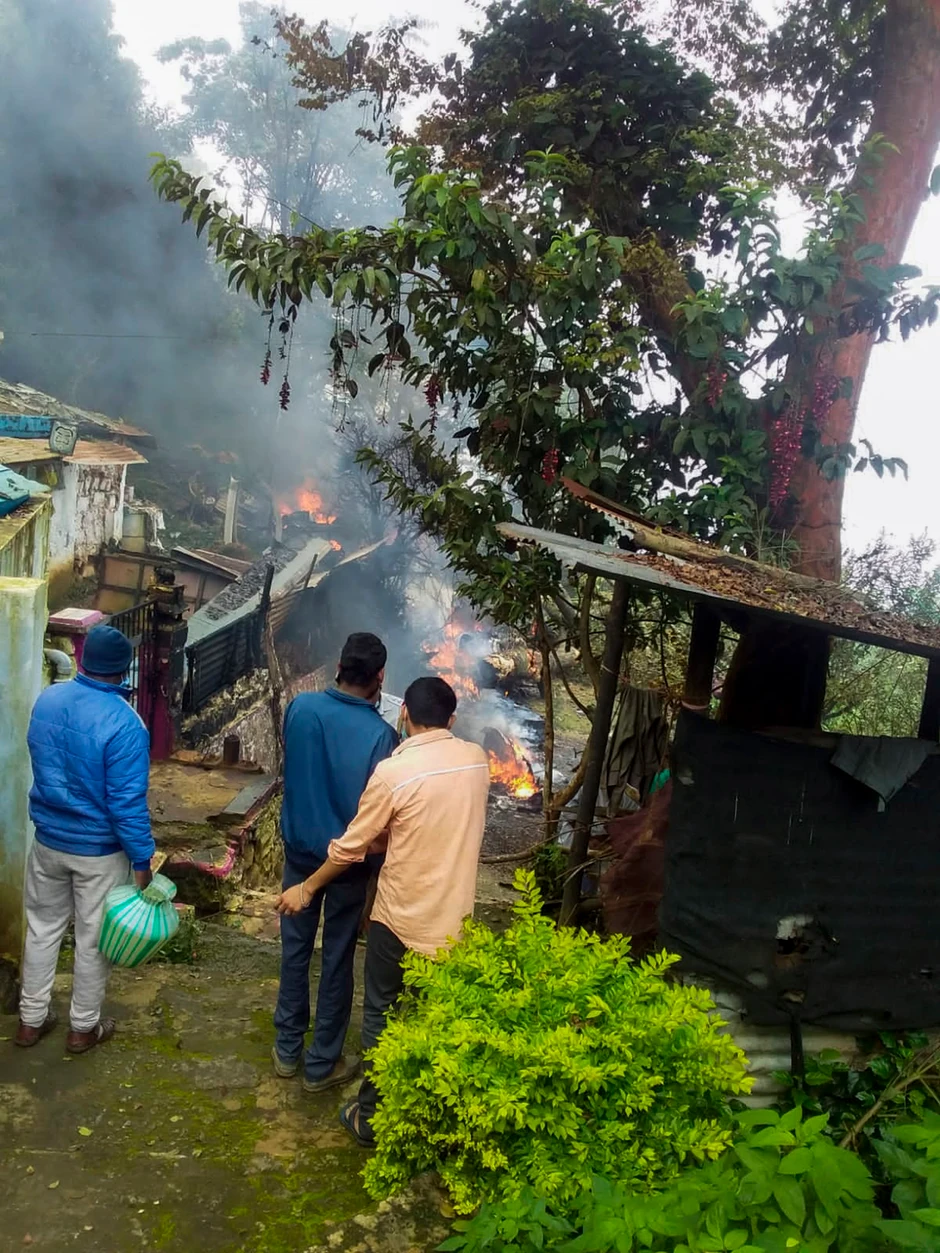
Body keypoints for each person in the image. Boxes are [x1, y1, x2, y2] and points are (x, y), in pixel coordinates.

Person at [276, 675, 490, 1146]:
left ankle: (370, 1116)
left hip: (400, 920)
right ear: (452, 721)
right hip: (454, 922)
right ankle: (426, 1115)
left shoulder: (395, 772)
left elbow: (352, 846)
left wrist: (307, 889)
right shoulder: (477, 763)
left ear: (404, 715)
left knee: (380, 1014)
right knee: (432, 1020)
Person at [16, 625, 155, 1054]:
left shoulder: (48, 700)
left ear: (83, 659)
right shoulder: (126, 725)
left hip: (48, 841)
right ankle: (82, 1029)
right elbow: (126, 805)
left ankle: (30, 1020)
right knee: (93, 940)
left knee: (41, 929)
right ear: (123, 670)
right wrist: (143, 860)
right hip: (99, 852)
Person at [273, 632, 400, 1093]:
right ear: (379, 677)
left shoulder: (301, 709)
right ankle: (321, 1062)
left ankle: (287, 1050)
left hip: (300, 855)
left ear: (339, 666)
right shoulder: (383, 737)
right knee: (338, 958)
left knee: (295, 951)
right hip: (349, 865)